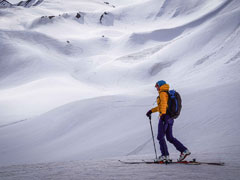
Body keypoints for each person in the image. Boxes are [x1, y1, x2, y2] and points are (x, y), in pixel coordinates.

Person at [146, 80, 190, 162]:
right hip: (170, 118)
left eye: (157, 86)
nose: (156, 88)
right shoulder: (167, 94)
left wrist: (162, 115)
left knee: (160, 137)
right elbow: (162, 106)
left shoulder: (163, 93)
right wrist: (151, 111)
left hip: (165, 117)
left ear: (161, 85)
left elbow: (163, 105)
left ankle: (165, 155)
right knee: (170, 137)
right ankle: (184, 151)